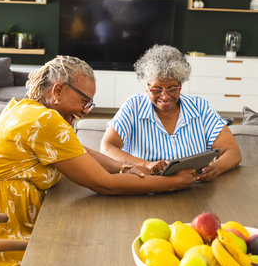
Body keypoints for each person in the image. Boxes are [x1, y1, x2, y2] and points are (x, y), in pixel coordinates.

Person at [0, 55, 197, 266]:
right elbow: (105, 184)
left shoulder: (24, 108)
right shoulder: (45, 120)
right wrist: (173, 182)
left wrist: (125, 166)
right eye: (85, 101)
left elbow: (76, 149)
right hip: (1, 253)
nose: (86, 111)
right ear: (58, 90)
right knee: (102, 264)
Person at [100, 45, 241, 180]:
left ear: (181, 84)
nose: (165, 96)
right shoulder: (133, 106)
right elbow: (107, 148)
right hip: (146, 187)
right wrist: (146, 164)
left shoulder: (199, 106)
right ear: (145, 86)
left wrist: (216, 168)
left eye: (172, 88)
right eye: (156, 89)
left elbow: (233, 152)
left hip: (193, 190)